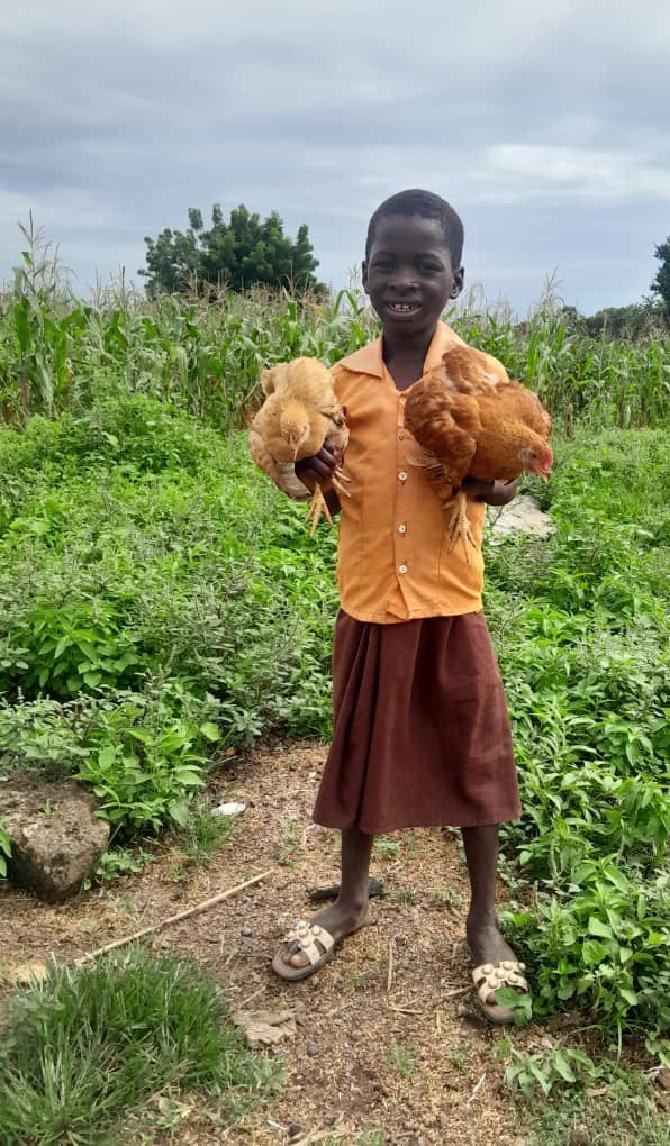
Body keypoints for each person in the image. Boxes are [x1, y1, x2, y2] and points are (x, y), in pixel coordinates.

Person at [271, 189, 529, 1023]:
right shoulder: (338, 383)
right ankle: (350, 901)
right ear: (364, 272)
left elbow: (506, 473)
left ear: (458, 279)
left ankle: (483, 923)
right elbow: (307, 472)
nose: (405, 280)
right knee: (360, 753)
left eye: (427, 265)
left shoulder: (479, 376)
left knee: (475, 759)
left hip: (450, 600)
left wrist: (493, 478)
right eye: (388, 263)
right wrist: (306, 471)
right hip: (371, 598)